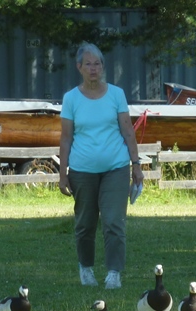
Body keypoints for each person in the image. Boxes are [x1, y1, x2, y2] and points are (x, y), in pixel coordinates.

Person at [59, 42, 144, 290]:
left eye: (97, 64)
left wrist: (136, 165)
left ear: (103, 66)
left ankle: (114, 273)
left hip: (115, 168)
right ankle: (85, 268)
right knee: (85, 223)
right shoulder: (71, 98)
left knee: (113, 221)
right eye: (88, 64)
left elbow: (128, 131)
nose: (93, 69)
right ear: (79, 67)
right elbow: (65, 138)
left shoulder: (116, 95)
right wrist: (62, 173)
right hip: (82, 170)